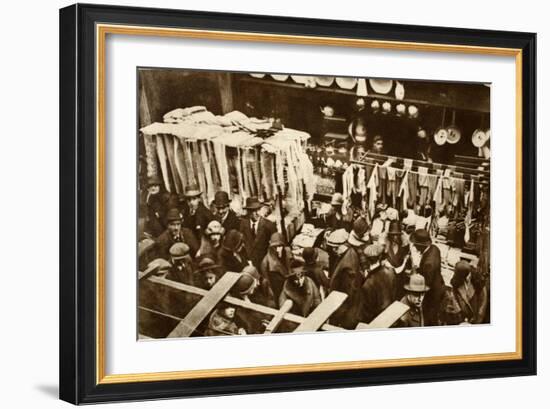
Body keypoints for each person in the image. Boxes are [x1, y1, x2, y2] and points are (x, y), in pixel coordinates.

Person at [329, 217, 371, 329]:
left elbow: (349, 290)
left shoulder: (348, 259)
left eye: (335, 248)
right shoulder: (349, 256)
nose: (334, 251)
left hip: (347, 307)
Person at [409, 229, 445, 326]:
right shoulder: (434, 248)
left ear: (421, 245)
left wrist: (415, 274)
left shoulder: (428, 264)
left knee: (429, 317)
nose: (415, 247)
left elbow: (426, 284)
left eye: (416, 244)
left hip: (432, 293)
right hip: (439, 285)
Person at [356, 244, 397, 324]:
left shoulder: (368, 284)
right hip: (390, 317)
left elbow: (366, 313)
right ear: (380, 257)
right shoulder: (391, 272)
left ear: (367, 260)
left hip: (377, 322)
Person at [442, 261, 489, 325]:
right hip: (463, 319)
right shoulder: (457, 280)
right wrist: (460, 317)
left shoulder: (479, 282)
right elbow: (455, 299)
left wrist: (477, 320)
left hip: (476, 319)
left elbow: (482, 304)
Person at [239, 197, 277, 269]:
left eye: (257, 210)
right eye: (252, 211)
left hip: (264, 264)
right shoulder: (242, 224)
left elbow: (274, 247)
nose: (255, 213)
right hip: (248, 263)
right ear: (248, 211)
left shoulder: (269, 225)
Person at [259, 232, 294, 302]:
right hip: (278, 289)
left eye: (280, 246)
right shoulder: (265, 263)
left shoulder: (287, 251)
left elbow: (292, 265)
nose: (278, 249)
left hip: (291, 284)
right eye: (275, 247)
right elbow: (267, 282)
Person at [383, 220, 410, 299]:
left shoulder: (404, 247)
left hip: (400, 280)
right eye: (393, 235)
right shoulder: (386, 247)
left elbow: (406, 264)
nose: (395, 237)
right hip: (387, 279)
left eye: (397, 235)